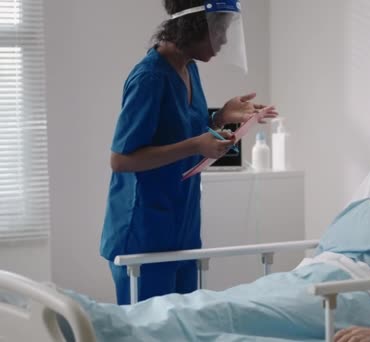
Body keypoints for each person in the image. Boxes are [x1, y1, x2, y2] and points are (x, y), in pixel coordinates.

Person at [64, 131, 370, 341]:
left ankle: (92, 324)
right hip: (305, 282)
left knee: (216, 314)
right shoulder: (360, 208)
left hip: (354, 299)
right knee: (211, 303)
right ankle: (93, 320)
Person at [100, 0, 278, 305]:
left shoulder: (188, 68)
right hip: (144, 230)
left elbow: (177, 129)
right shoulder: (150, 78)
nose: (223, 40)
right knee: (150, 331)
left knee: (185, 325)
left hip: (181, 223)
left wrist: (220, 118)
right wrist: (197, 145)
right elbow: (121, 160)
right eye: (219, 30)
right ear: (195, 26)